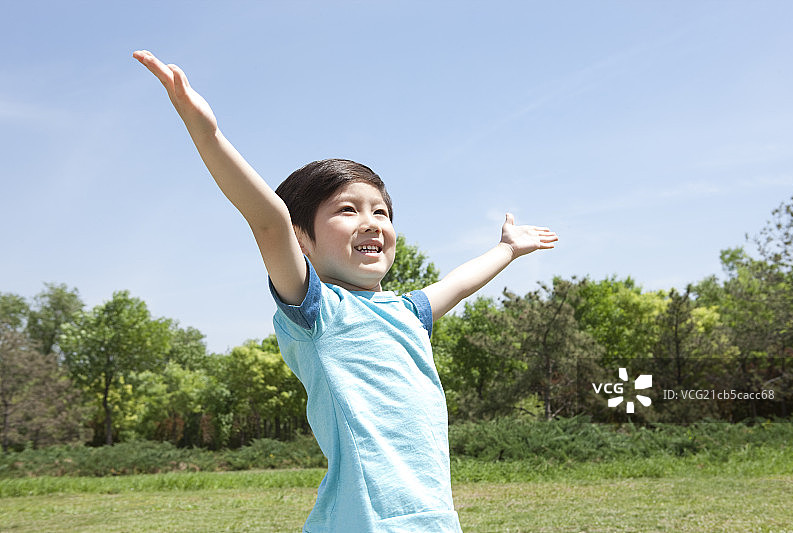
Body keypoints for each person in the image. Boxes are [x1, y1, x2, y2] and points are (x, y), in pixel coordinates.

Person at [133, 50, 558, 533]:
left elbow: (458, 284)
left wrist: (506, 249)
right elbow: (269, 220)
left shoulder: (407, 313)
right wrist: (206, 132)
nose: (371, 222)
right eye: (347, 210)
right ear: (302, 238)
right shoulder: (316, 311)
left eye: (381, 212)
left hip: (434, 521)